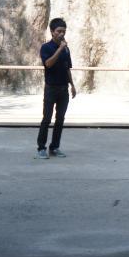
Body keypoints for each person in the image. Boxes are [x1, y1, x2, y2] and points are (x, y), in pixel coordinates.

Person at [36, 18, 76, 159]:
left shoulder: (67, 49)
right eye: (59, 31)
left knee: (60, 119)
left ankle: (55, 147)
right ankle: (41, 147)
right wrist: (60, 48)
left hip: (63, 89)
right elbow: (48, 64)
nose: (61, 34)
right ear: (52, 32)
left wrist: (72, 85)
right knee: (46, 119)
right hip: (51, 88)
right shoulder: (46, 47)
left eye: (63, 31)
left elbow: (67, 69)